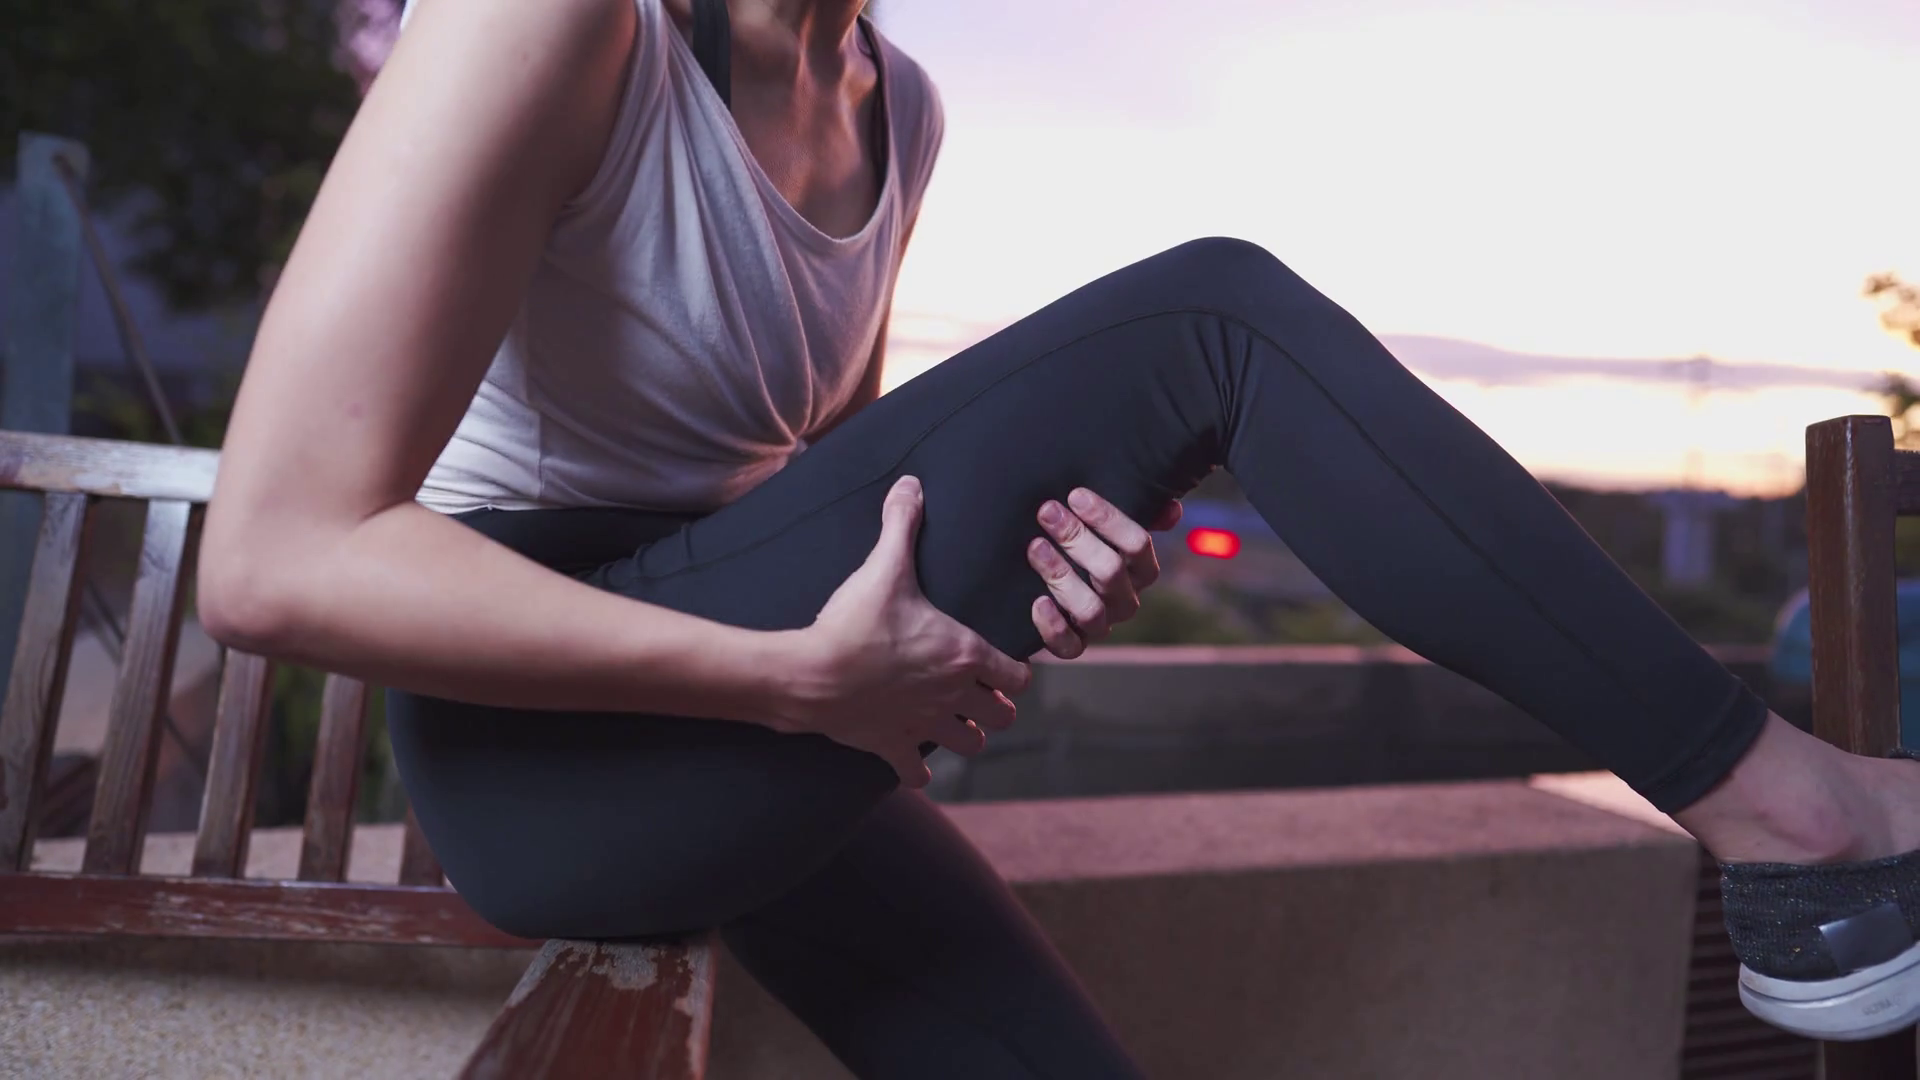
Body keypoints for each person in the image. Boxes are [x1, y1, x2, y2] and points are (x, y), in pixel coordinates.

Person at [198, 0, 1920, 1072]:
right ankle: (1796, 822)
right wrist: (787, 673)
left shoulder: (898, 104)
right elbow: (275, 560)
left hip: (737, 695)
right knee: (1215, 328)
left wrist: (1020, 562)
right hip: (552, 752)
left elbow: (803, 489)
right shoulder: (563, 16)